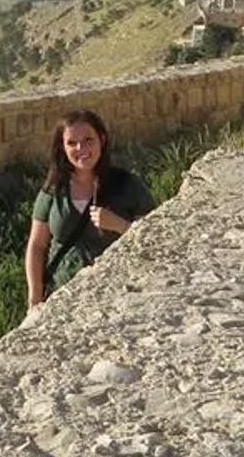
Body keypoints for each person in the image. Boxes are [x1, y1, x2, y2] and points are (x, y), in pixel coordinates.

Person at [25, 109, 154, 311]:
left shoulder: (127, 185)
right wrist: (35, 299)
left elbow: (154, 239)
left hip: (117, 297)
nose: (80, 148)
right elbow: (37, 246)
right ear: (62, 148)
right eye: (72, 143)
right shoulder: (53, 190)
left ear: (102, 139)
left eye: (88, 140)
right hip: (62, 298)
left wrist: (120, 225)